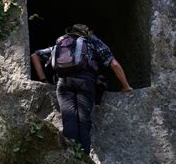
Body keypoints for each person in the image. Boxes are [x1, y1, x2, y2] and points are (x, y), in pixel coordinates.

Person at [31, 24, 132, 155]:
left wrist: (44, 80)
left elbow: (35, 56)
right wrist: (126, 86)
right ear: (87, 32)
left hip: (63, 83)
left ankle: (71, 158)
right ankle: (83, 158)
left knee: (69, 120)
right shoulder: (92, 41)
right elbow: (113, 63)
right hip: (85, 82)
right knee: (83, 122)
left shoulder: (62, 43)